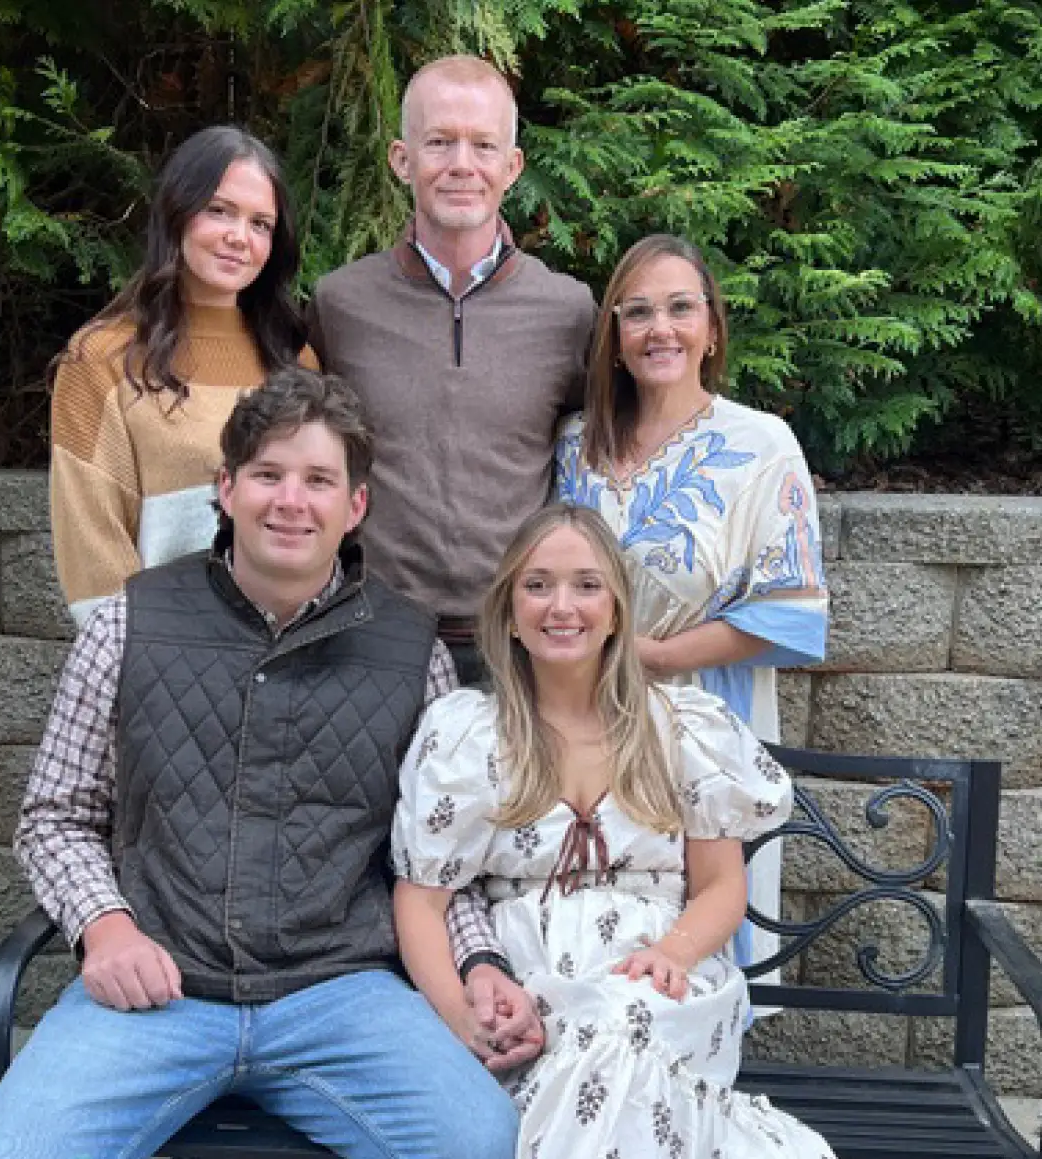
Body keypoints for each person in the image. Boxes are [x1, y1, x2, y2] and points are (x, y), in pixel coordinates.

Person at [0, 369, 526, 1159]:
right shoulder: (129, 623)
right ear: (226, 489)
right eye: (268, 474)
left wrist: (480, 962)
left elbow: (436, 859)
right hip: (160, 985)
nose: (291, 500)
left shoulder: (412, 653)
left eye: (319, 480)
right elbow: (55, 815)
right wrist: (107, 927)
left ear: (355, 505)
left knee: (484, 1140)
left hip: (342, 993)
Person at [391, 503, 836, 1159]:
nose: (561, 604)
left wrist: (675, 953)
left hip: (659, 980)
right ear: (510, 612)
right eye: (537, 584)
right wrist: (463, 1017)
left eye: (587, 584)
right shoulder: (470, 735)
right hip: (530, 986)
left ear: (619, 609)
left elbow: (719, 886)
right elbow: (421, 900)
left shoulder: (680, 727)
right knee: (601, 1058)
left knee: (620, 1028)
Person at [554, 234, 828, 970]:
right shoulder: (575, 444)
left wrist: (657, 656)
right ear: (612, 337)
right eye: (636, 312)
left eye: (680, 307)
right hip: (581, 723)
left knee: (694, 938)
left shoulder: (761, 445)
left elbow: (790, 606)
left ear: (712, 327)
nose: (659, 329)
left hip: (704, 714)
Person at [307, 54, 597, 683]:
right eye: (439, 142)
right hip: (371, 635)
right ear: (401, 159)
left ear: (512, 167)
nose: (462, 164)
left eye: (483, 145)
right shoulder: (340, 304)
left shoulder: (568, 311)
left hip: (519, 644)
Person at [51, 125, 316, 628]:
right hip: (160, 660)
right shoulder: (102, 360)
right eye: (220, 211)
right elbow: (91, 551)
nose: (240, 237)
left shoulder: (294, 359)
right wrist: (146, 660)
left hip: (287, 657)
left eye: (261, 224)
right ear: (177, 213)